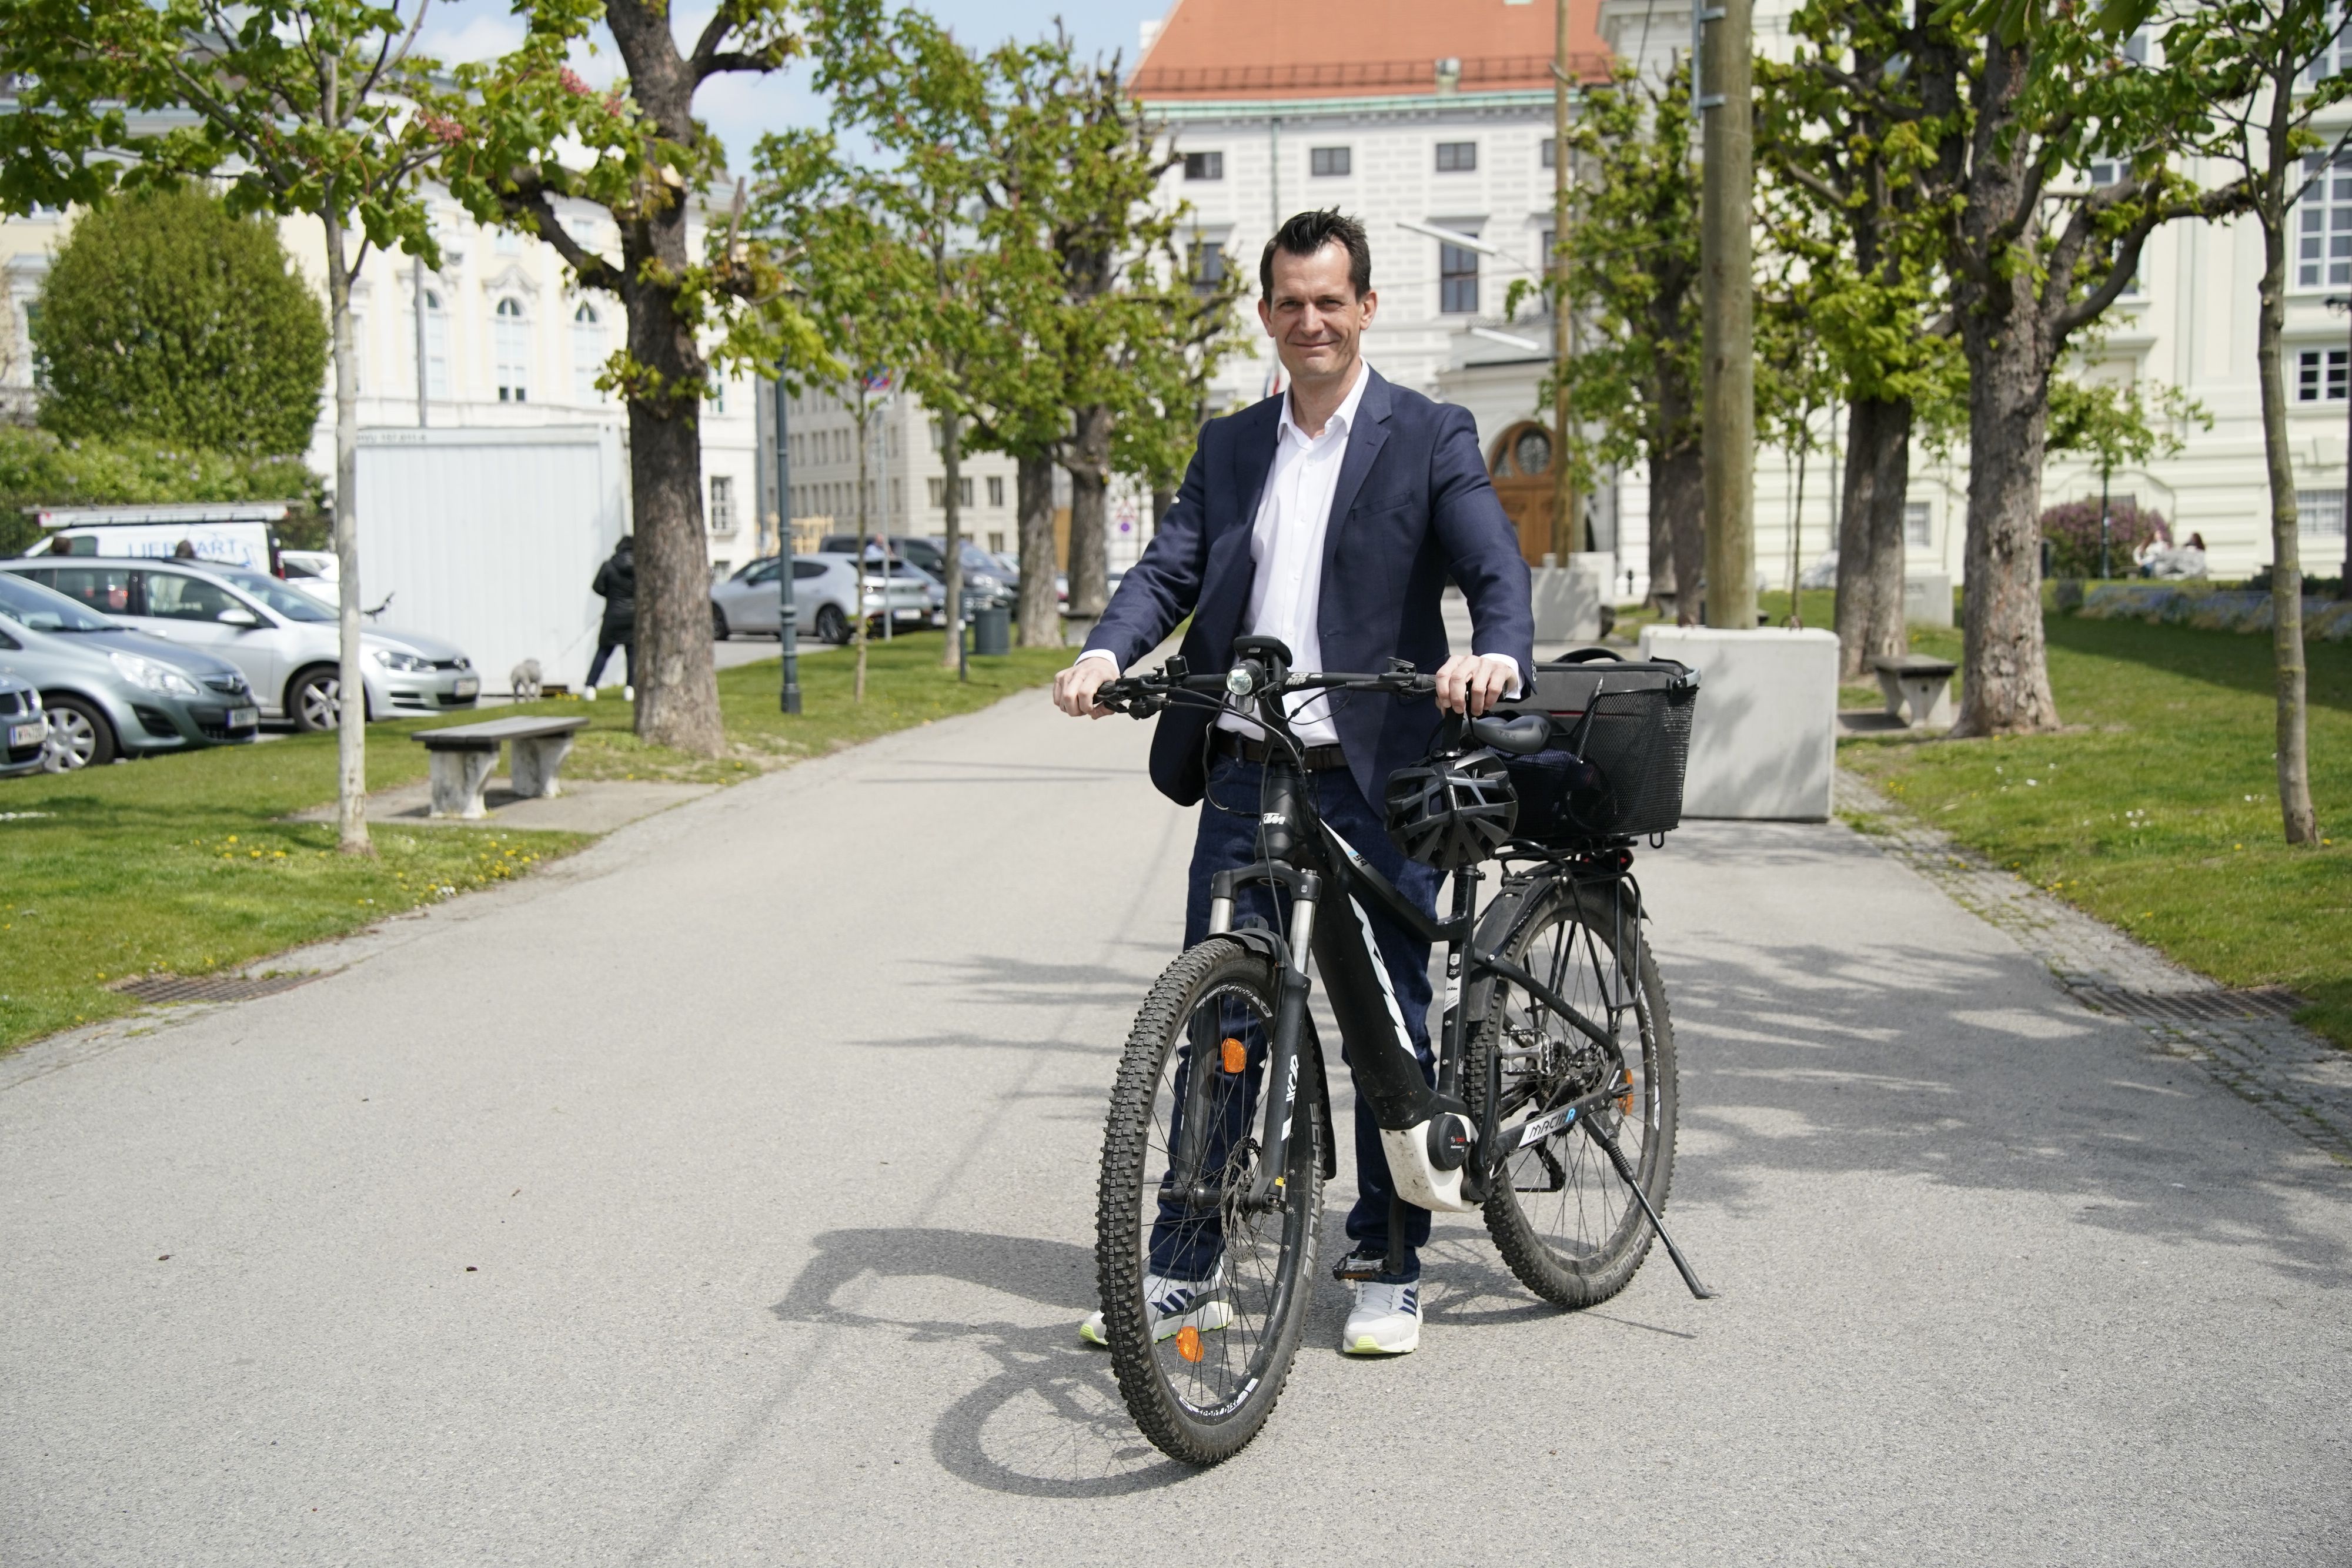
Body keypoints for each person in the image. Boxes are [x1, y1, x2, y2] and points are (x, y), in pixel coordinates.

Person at [1052, 209, 1534, 1358]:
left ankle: (1387, 1252)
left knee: (1384, 1020)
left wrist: (1494, 649)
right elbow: (1168, 564)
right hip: (1241, 766)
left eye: (1329, 301)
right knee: (1222, 1014)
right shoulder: (1228, 447)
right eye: (1288, 302)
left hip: (1370, 769)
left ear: (1363, 307)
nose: (1308, 321)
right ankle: (1184, 1267)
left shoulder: (1428, 434)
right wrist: (1107, 649)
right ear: (1265, 313)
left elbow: (1489, 561)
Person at [586, 536, 635, 692]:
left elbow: (597, 587)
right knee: (632, 653)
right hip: (633, 615)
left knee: (604, 650)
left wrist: (611, 595)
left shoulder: (609, 566)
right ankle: (631, 688)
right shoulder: (640, 566)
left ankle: (590, 687)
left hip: (613, 614)